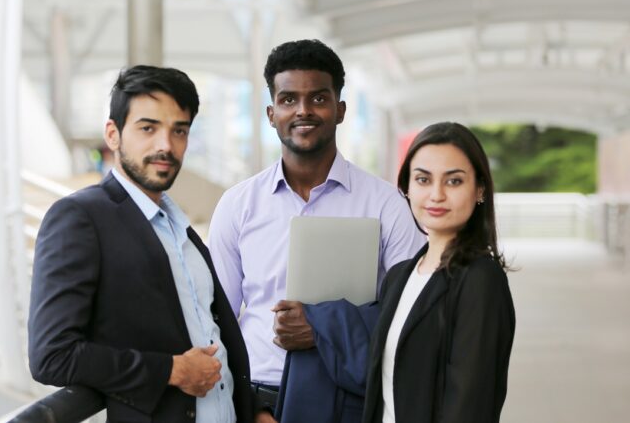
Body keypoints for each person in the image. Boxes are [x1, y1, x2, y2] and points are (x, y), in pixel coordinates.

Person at [208, 39, 423, 422]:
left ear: (340, 110)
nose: (303, 111)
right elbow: (215, 321)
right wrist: (248, 408)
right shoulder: (237, 205)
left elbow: (413, 312)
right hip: (261, 404)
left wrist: (324, 329)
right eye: (289, 99)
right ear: (271, 113)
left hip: (349, 402)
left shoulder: (386, 204)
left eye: (318, 99)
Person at [28, 65, 256, 422]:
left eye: (178, 131)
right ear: (113, 134)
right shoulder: (79, 218)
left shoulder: (181, 227)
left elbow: (212, 331)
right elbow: (52, 356)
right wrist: (172, 370)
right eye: (148, 128)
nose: (165, 145)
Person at [361, 122, 516, 423]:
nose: (436, 195)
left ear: (480, 188)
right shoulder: (399, 277)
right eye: (423, 179)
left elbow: (471, 404)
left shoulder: (480, 280)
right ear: (406, 187)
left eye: (454, 181)